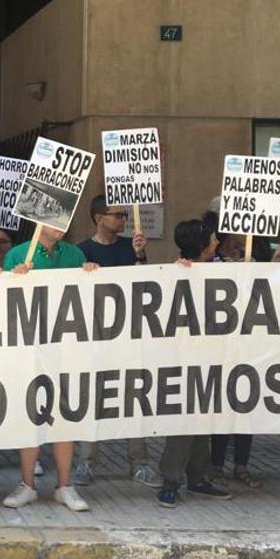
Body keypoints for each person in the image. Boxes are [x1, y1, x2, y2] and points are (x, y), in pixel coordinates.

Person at [0, 223, 98, 512]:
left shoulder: (76, 254)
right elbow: (2, 298)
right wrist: (14, 278)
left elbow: (86, 298)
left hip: (65, 349)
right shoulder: (18, 254)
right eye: (56, 221)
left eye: (67, 221)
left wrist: (89, 273)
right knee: (31, 415)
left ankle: (64, 486)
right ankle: (27, 485)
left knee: (64, 414)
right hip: (30, 349)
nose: (63, 227)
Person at [74, 195, 160, 490]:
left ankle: (140, 461)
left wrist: (140, 254)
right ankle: (87, 461)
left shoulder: (129, 248)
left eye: (124, 213)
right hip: (94, 339)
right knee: (92, 399)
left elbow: (144, 285)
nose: (123, 219)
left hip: (128, 336)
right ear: (99, 218)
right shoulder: (81, 251)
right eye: (117, 214)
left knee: (134, 397)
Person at [155, 219, 234, 507]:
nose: (216, 243)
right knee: (186, 421)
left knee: (203, 418)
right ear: (202, 246)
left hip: (212, 357)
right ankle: (171, 480)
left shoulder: (218, 270)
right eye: (212, 239)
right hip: (183, 359)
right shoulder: (175, 274)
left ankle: (198, 478)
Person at [203, 203, 266, 488]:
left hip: (248, 343)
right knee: (220, 407)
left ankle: (241, 464)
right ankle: (215, 464)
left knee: (245, 405)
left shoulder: (252, 258)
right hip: (218, 345)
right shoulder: (209, 263)